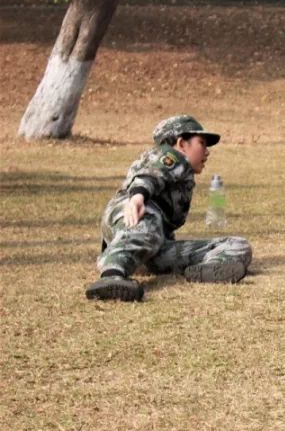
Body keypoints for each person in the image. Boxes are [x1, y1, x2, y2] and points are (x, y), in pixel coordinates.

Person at [86, 115, 253, 302]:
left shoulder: (184, 174)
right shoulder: (169, 156)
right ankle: (111, 275)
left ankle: (210, 268)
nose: (207, 152)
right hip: (133, 215)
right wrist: (138, 197)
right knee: (148, 224)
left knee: (237, 245)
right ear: (182, 143)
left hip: (153, 245)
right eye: (202, 143)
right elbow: (151, 174)